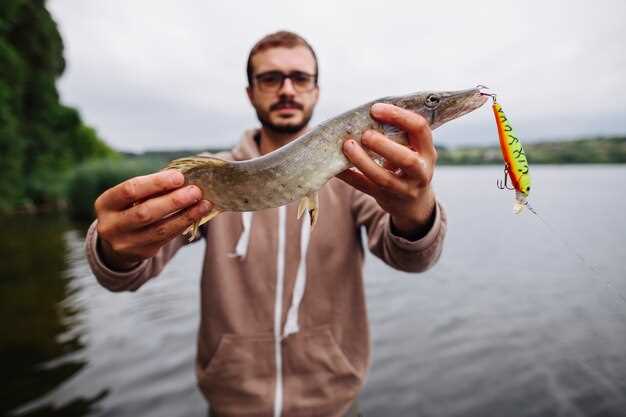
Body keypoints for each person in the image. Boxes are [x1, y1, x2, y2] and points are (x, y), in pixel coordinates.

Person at [85, 31, 447, 417]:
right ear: (251, 93)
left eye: (300, 78)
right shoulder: (211, 172)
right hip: (232, 405)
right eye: (271, 78)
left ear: (316, 91)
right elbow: (124, 275)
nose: (287, 89)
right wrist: (112, 248)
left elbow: (413, 259)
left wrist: (416, 211)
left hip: (333, 404)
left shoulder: (359, 175)